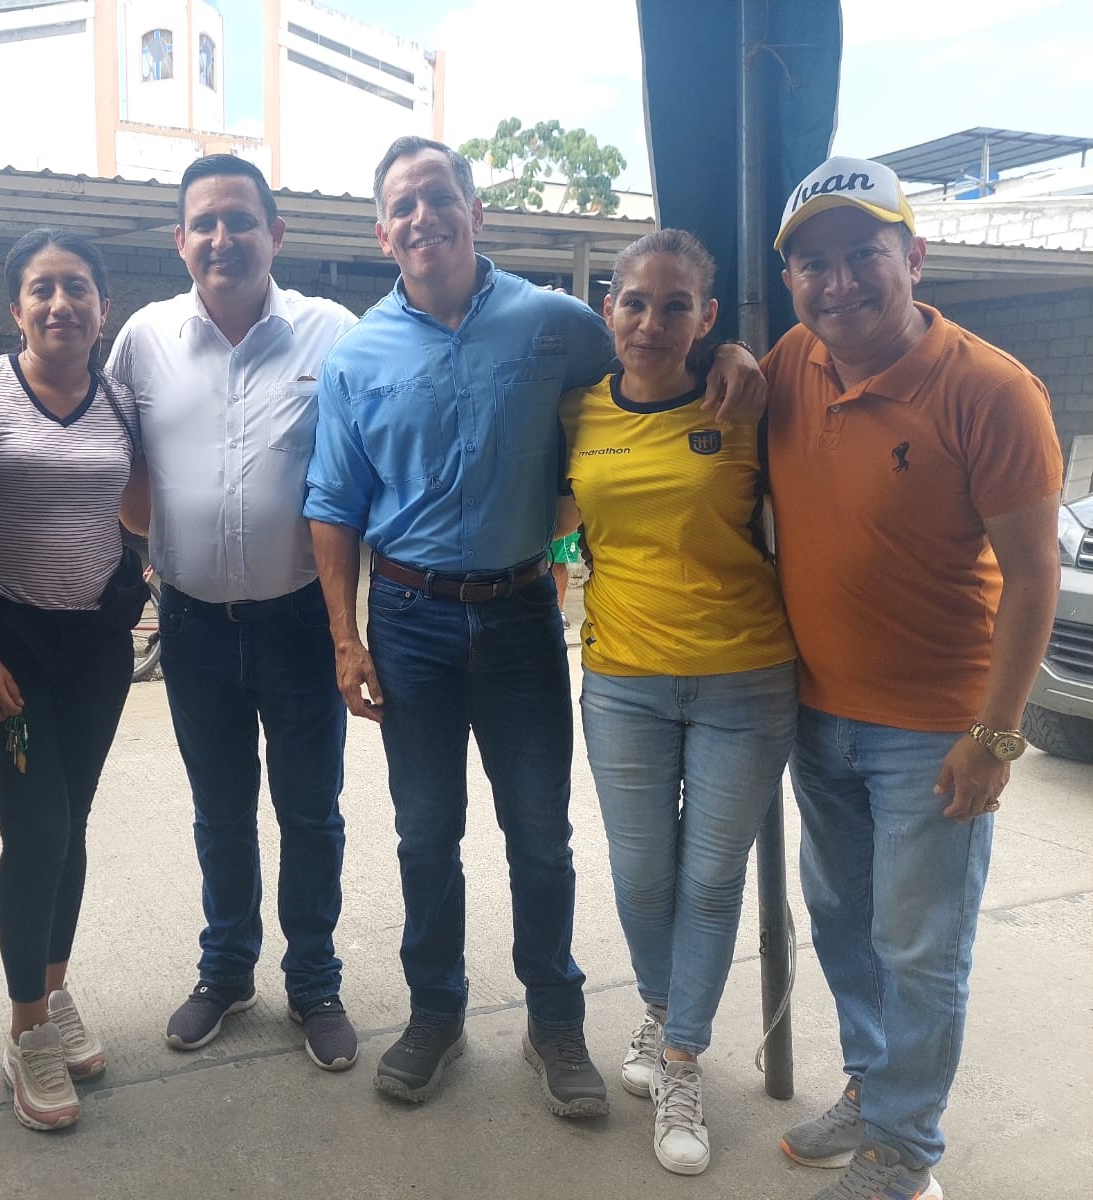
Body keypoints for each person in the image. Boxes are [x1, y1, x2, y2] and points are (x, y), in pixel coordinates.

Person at [304, 135, 765, 1111]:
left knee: (541, 836)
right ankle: (436, 1014)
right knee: (426, 833)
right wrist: (346, 638)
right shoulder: (355, 357)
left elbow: (653, 355)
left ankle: (554, 1023)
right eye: (403, 205)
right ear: (383, 233)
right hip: (408, 622)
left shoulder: (557, 325)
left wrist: (726, 351)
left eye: (440, 196)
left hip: (519, 615)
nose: (424, 217)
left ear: (475, 212)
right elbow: (332, 504)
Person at [765, 157, 1061, 1200]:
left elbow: (1035, 575)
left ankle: (902, 1156)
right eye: (813, 263)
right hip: (818, 715)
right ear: (790, 280)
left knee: (920, 949)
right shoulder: (791, 360)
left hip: (934, 730)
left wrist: (995, 736)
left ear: (915, 258)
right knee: (845, 927)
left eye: (864, 255)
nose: (838, 282)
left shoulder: (991, 390)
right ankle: (873, 1089)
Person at [106, 154, 360, 1070]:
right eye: (204, 223)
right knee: (219, 810)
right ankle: (226, 970)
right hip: (194, 627)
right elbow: (108, 454)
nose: (223, 238)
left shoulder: (332, 333)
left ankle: (315, 979)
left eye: (241, 220)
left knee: (311, 812)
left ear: (275, 234)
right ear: (179, 241)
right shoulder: (144, 338)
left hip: (300, 624)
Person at [557, 229, 796, 1176]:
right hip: (623, 682)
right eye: (635, 302)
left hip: (747, 678)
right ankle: (662, 1010)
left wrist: (741, 357)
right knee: (643, 876)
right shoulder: (576, 408)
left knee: (710, 881)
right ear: (608, 309)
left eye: (675, 305)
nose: (651, 322)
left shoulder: (745, 402)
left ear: (707, 316)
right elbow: (553, 514)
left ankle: (683, 1058)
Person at [0, 228, 142, 1133]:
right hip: (0, 643)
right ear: (14, 308)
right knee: (38, 827)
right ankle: (25, 1034)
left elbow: (141, 506)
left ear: (104, 307)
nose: (61, 303)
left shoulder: (122, 399)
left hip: (95, 648)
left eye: (78, 287)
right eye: (42, 288)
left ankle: (50, 994)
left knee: (71, 825)